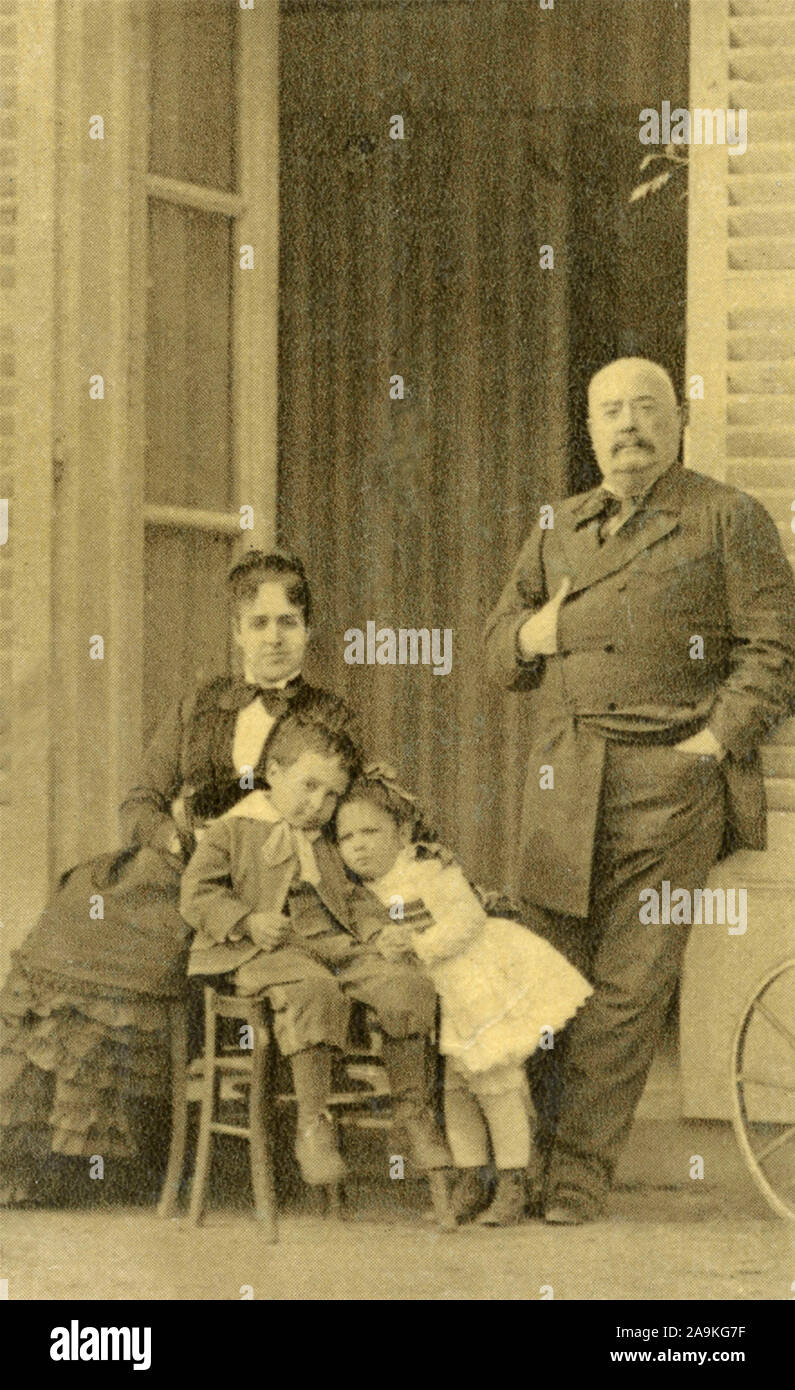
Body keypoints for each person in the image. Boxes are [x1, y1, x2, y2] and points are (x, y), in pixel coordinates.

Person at [484, 356, 795, 1225]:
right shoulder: (558, 525)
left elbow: (774, 651)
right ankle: (525, 1158)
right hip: (566, 776)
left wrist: (708, 745)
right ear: (589, 431)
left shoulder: (727, 517)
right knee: (543, 972)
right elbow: (493, 652)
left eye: (646, 409)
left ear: (678, 421)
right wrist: (533, 630)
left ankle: (580, 1171)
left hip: (670, 782)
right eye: (610, 412)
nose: (628, 426)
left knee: (629, 986)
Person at [0, 550, 359, 1206]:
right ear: (237, 631)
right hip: (176, 867)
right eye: (259, 623)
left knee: (132, 956)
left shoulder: (330, 718)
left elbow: (352, 813)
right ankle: (43, 1156)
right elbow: (141, 795)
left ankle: (107, 1151)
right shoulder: (201, 704)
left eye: (287, 621)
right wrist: (166, 835)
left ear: (307, 628)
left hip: (258, 882)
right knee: (75, 924)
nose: (273, 637)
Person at [180, 715, 450, 1189]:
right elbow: (197, 894)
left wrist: (378, 933)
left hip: (333, 942)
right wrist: (246, 919)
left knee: (405, 984)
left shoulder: (327, 840)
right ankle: (312, 1124)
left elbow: (354, 897)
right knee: (315, 989)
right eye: (308, 786)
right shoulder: (234, 829)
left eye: (331, 795)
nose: (318, 805)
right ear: (274, 772)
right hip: (262, 951)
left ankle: (412, 1111)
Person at [334, 770, 592, 1226]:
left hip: (477, 979)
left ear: (403, 831)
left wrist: (416, 944)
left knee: (494, 1080)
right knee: (454, 1090)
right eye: (346, 836)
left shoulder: (426, 868)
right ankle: (473, 1177)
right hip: (440, 996)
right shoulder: (357, 893)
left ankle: (515, 1178)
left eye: (370, 831)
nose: (358, 844)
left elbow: (467, 919)